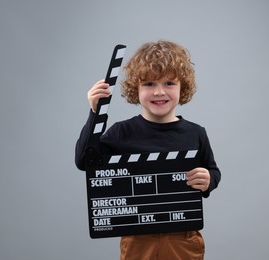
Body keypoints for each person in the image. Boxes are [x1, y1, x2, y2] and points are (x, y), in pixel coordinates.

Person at [75, 40, 221, 260]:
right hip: (137, 240)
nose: (159, 92)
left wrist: (209, 179)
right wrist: (94, 112)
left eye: (170, 83)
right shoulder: (120, 132)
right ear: (136, 88)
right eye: (149, 83)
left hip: (183, 238)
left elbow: (213, 170)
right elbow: (85, 161)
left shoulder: (195, 133)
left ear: (183, 87)